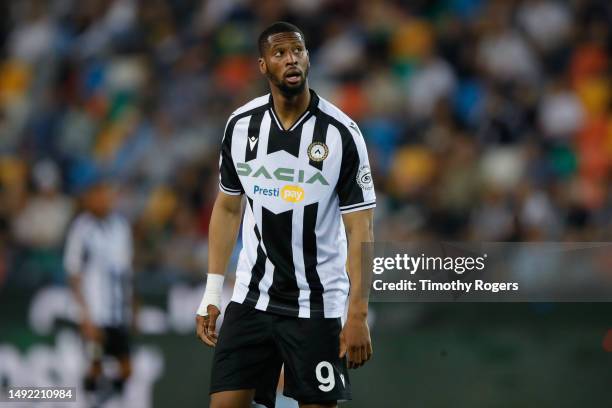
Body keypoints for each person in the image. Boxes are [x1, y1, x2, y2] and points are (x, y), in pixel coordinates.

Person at [196, 21, 376, 408]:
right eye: (279, 53)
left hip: (315, 304)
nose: (291, 59)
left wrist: (357, 313)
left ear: (308, 58)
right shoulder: (241, 126)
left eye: (298, 51)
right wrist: (212, 292)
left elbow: (360, 227)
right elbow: (228, 208)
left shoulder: (341, 133)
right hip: (251, 299)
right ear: (263, 65)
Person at [64, 175, 134, 406]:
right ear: (89, 199)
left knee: (126, 369)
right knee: (94, 364)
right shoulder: (82, 229)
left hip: (118, 312)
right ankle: (91, 400)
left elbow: (125, 271)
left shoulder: (120, 227)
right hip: (95, 312)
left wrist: (132, 305)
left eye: (108, 195)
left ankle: (105, 400)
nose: (105, 200)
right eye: (100, 195)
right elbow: (74, 274)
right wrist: (85, 317)